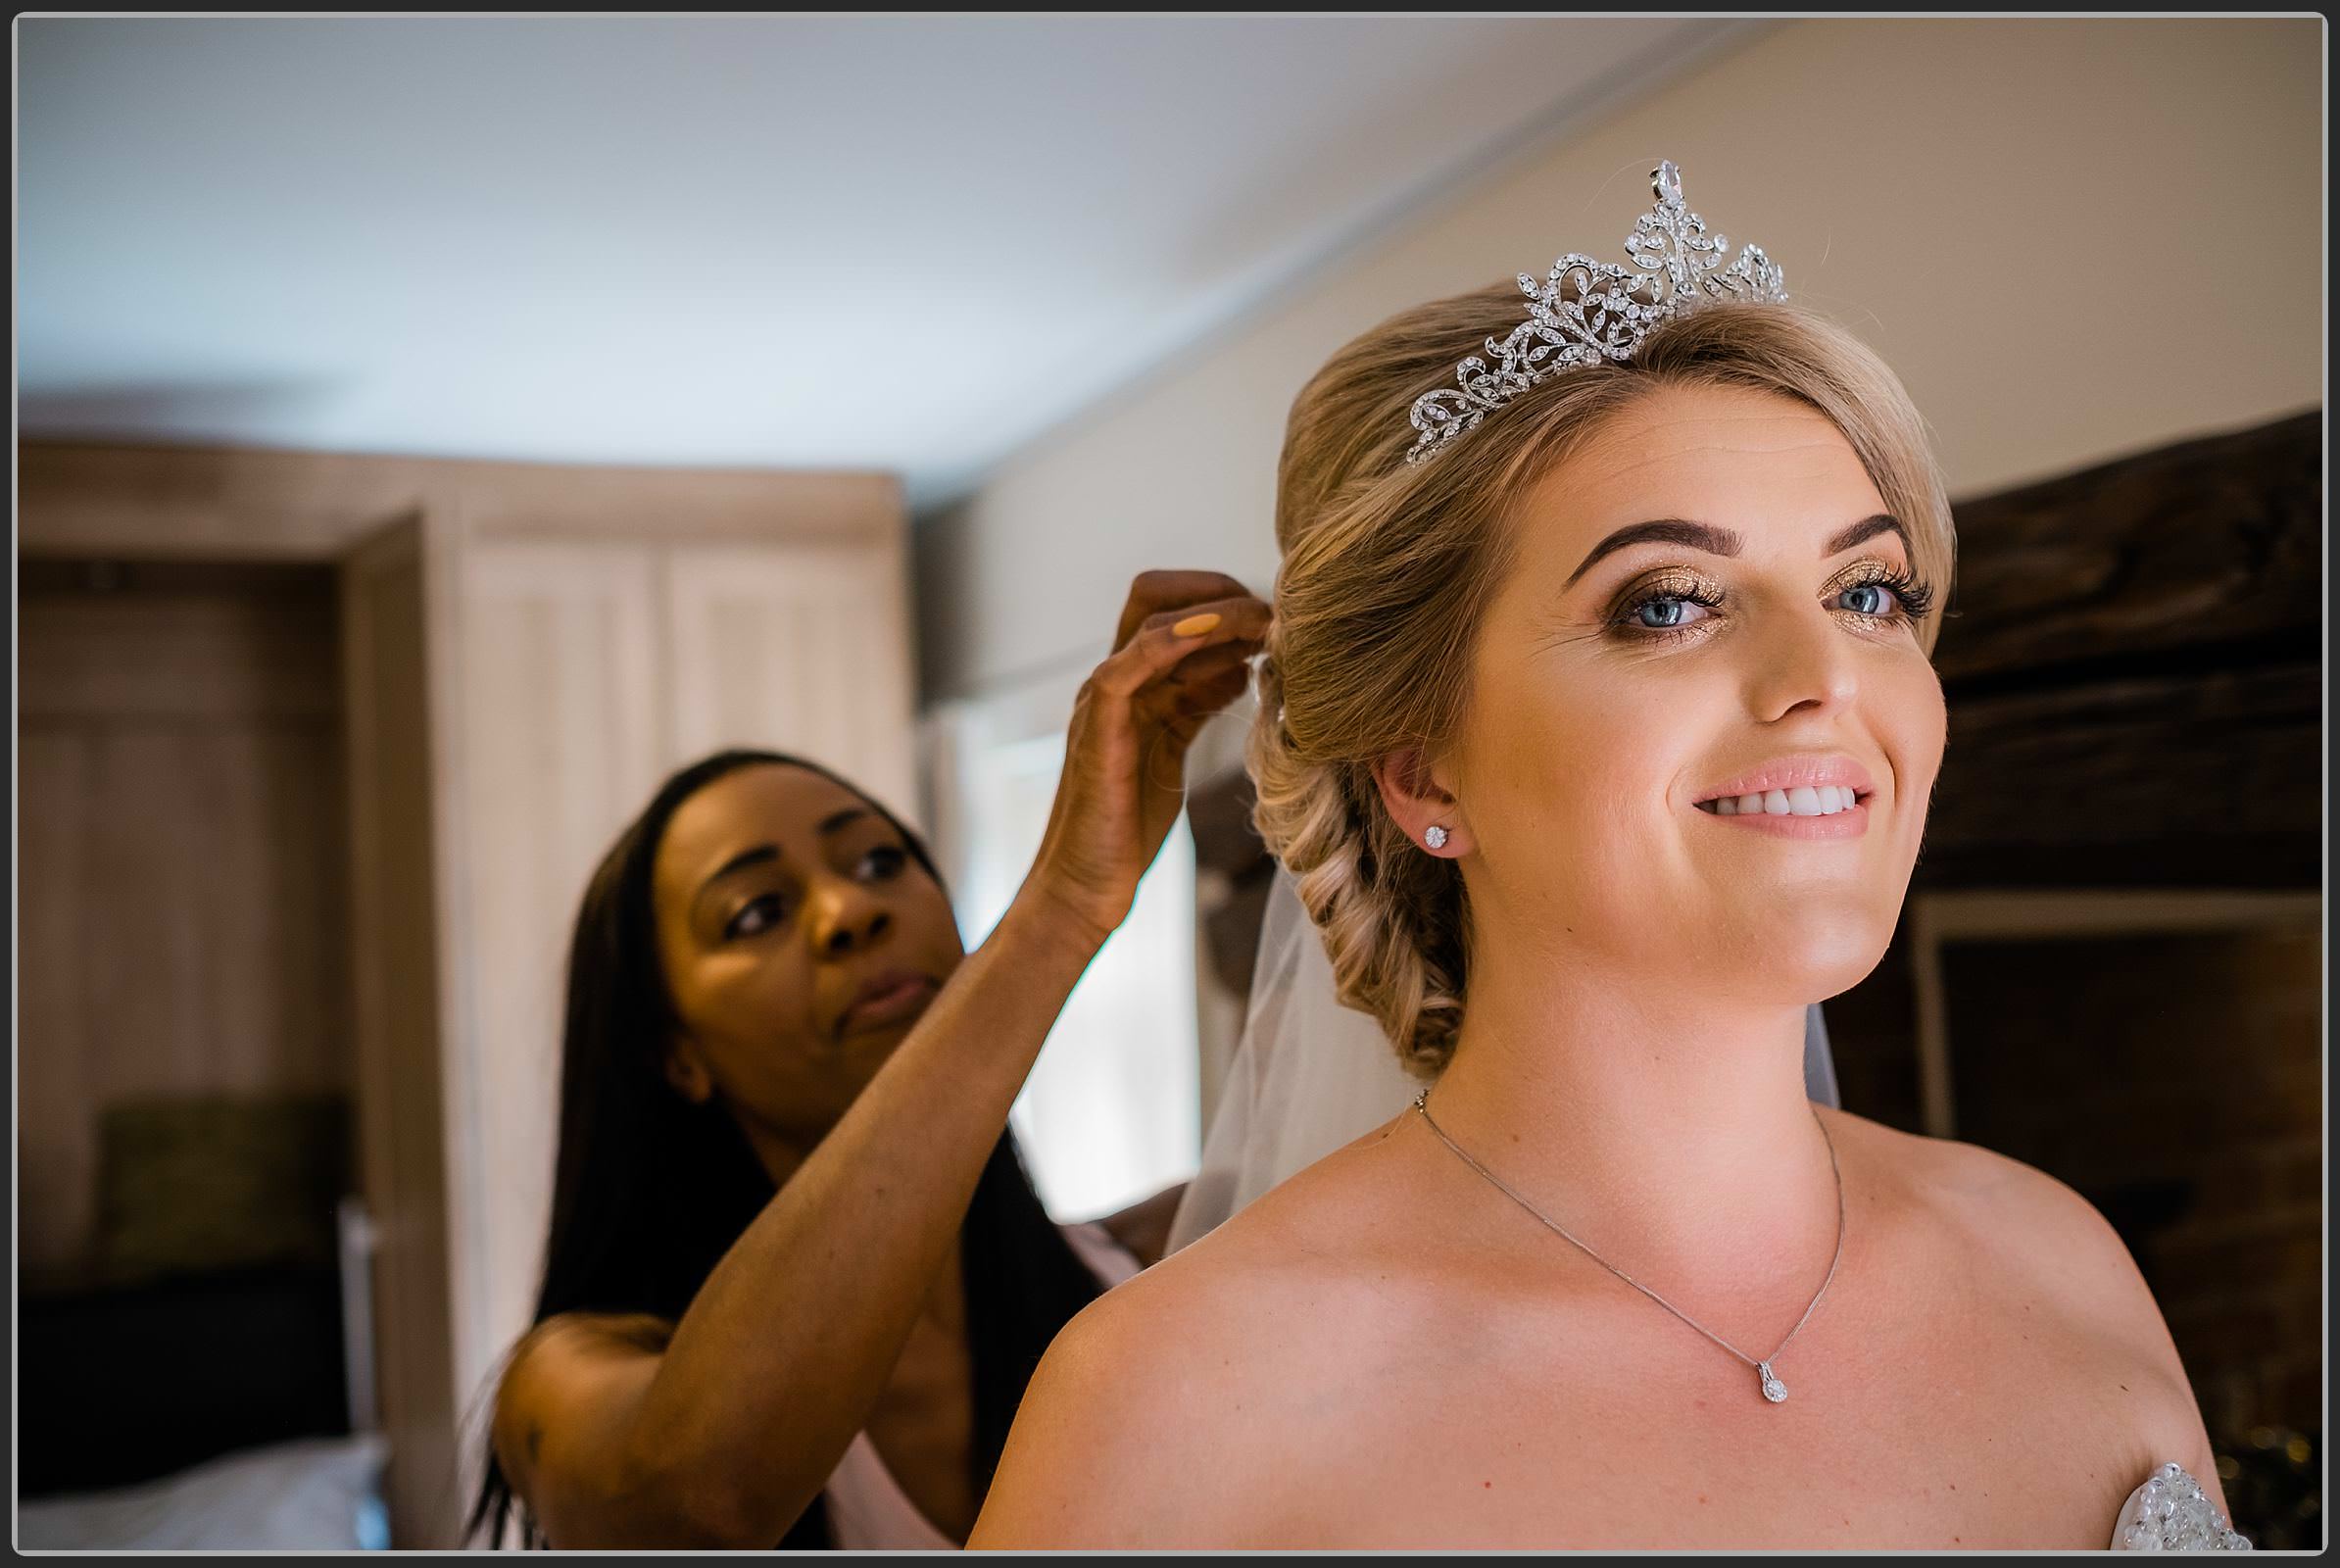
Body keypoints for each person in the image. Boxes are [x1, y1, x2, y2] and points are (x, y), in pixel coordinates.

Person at [969, 164, 2247, 1550]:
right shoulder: (1178, 1404)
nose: (1827, 677)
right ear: (1421, 771)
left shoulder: (2058, 1258)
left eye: (1869, 591)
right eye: (1670, 604)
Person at [468, 570, 1270, 1549]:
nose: (851, 911)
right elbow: (699, 1501)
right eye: (756, 912)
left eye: (879, 861)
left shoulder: (1159, 1260)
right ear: (675, 1055)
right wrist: (1061, 905)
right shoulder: (563, 1379)